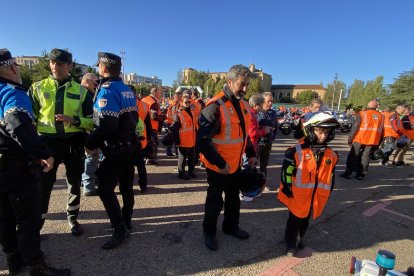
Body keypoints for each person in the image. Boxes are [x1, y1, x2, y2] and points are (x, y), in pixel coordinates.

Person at [0, 49, 70, 276]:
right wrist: (42, 153)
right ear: (11, 68)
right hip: (16, 168)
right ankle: (36, 267)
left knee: (5, 217)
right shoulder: (13, 92)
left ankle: (14, 261)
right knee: (27, 220)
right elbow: (17, 123)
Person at [29, 48, 93, 236]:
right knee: (43, 185)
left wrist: (73, 120)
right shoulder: (37, 88)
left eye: (60, 64)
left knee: (74, 183)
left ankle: (73, 218)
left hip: (73, 143)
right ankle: (37, 225)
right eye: (52, 63)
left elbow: (91, 121)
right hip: (47, 144)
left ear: (69, 66)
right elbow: (29, 120)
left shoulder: (81, 91)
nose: (55, 67)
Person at [198, 65, 256, 251]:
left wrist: (252, 154)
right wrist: (220, 163)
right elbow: (203, 142)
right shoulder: (214, 106)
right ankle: (209, 232)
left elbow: (243, 135)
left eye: (247, 84)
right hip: (219, 166)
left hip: (236, 164)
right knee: (215, 201)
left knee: (233, 199)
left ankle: (231, 227)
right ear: (230, 82)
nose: (245, 88)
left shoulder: (243, 104)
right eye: (242, 84)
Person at [85, 52, 139, 250]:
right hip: (129, 145)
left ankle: (120, 228)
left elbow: (107, 125)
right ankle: (127, 220)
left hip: (116, 148)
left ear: (103, 68)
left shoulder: (107, 90)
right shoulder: (127, 89)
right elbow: (135, 118)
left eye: (98, 65)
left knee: (105, 189)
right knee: (126, 186)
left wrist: (90, 142)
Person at [278, 112, 339, 256]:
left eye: (326, 132)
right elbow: (286, 171)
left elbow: (331, 176)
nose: (323, 136)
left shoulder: (332, 155)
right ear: (311, 130)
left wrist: (329, 190)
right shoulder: (295, 152)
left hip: (315, 196)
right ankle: (290, 243)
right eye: (319, 131)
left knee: (305, 221)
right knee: (294, 220)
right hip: (297, 195)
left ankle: (300, 239)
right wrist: (287, 186)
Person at [340, 100, 384, 180]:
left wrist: (350, 138)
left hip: (360, 138)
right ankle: (361, 174)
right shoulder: (380, 116)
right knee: (366, 156)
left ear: (368, 105)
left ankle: (348, 172)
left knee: (353, 155)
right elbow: (382, 130)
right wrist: (379, 142)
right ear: (376, 107)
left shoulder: (362, 114)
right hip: (372, 140)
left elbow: (355, 127)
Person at [80, 73, 100, 196]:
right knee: (91, 156)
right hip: (85, 131)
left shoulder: (78, 92)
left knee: (85, 158)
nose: (97, 86)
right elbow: (89, 118)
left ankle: (85, 182)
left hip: (77, 130)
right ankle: (88, 186)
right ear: (87, 81)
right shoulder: (85, 94)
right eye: (95, 83)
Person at [171, 95, 197, 180]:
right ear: (182, 102)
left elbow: (194, 127)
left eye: (189, 102)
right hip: (183, 141)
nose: (187, 104)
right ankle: (181, 173)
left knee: (191, 158)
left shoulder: (192, 112)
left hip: (192, 140)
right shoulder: (179, 114)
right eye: (185, 102)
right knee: (182, 159)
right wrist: (177, 142)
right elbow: (174, 129)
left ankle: (191, 171)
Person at [256, 92, 278, 177]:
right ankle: (251, 184)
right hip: (258, 143)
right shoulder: (256, 111)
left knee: (264, 165)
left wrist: (272, 138)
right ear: (262, 101)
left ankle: (263, 182)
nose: (271, 103)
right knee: (252, 164)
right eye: (268, 101)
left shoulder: (273, 113)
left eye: (272, 101)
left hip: (268, 143)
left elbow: (276, 127)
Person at [141, 87, 163, 165]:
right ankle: (151, 159)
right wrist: (163, 117)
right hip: (152, 126)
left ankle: (145, 157)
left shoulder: (144, 99)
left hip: (142, 125)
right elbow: (154, 116)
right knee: (153, 144)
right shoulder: (153, 102)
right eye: (159, 93)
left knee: (144, 143)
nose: (160, 94)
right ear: (155, 93)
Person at [165, 91, 182, 156]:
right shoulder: (175, 104)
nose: (181, 98)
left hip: (171, 123)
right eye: (180, 97)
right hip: (173, 124)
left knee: (172, 138)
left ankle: (170, 152)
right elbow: (175, 115)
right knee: (174, 138)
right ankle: (173, 152)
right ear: (177, 97)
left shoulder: (172, 103)